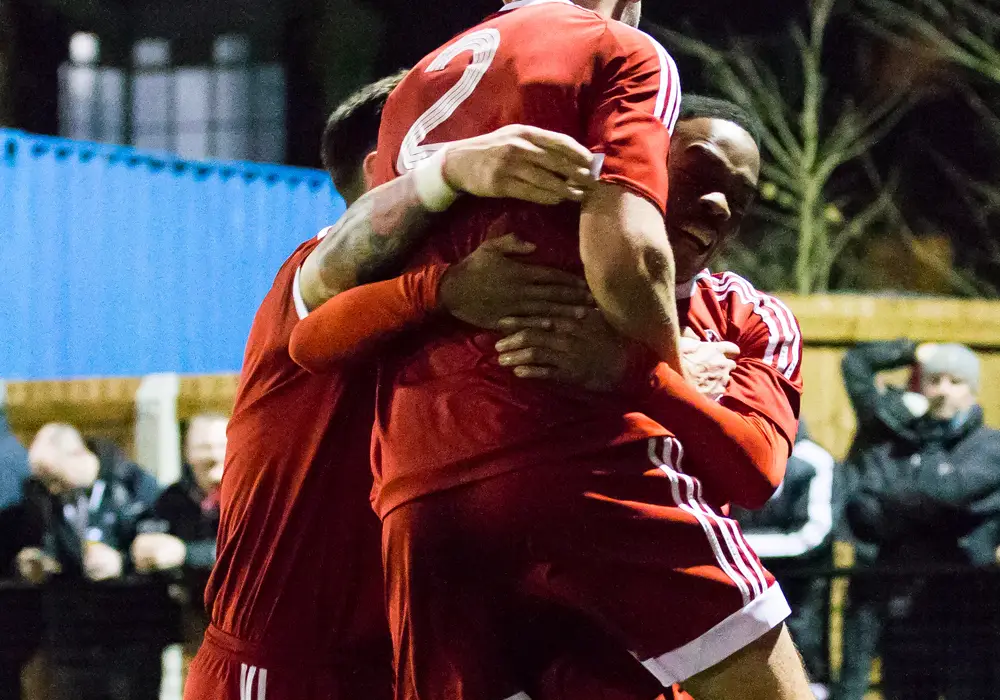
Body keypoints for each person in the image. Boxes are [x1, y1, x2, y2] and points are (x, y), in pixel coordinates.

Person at [364, 0, 811, 695]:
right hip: (574, 472)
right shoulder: (616, 58)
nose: (719, 208)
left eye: (741, 200)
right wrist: (661, 374)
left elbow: (754, 473)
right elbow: (629, 253)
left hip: (419, 489)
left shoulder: (750, 315)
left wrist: (639, 378)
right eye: (698, 174)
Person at [183, 71, 609, 700]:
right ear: (386, 163)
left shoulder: (473, 283)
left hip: (407, 664)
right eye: (458, 136)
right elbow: (336, 270)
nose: (490, 154)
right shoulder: (319, 265)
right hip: (282, 668)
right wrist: (450, 175)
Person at [837, 340, 1000, 700]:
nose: (943, 391)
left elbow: (948, 492)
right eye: (934, 380)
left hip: (967, 607)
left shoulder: (990, 447)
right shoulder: (903, 442)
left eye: (955, 382)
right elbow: (865, 502)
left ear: (972, 391)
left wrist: (904, 503)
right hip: (902, 609)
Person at [732, 421, 836, 699]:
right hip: (744, 600)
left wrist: (737, 548)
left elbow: (812, 534)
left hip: (800, 598)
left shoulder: (811, 460)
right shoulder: (731, 451)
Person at [131, 413, 227, 581]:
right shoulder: (172, 498)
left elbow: (255, 552)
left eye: (222, 446)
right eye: (203, 447)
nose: (214, 455)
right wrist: (143, 548)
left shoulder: (255, 497)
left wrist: (186, 553)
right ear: (187, 452)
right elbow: (151, 534)